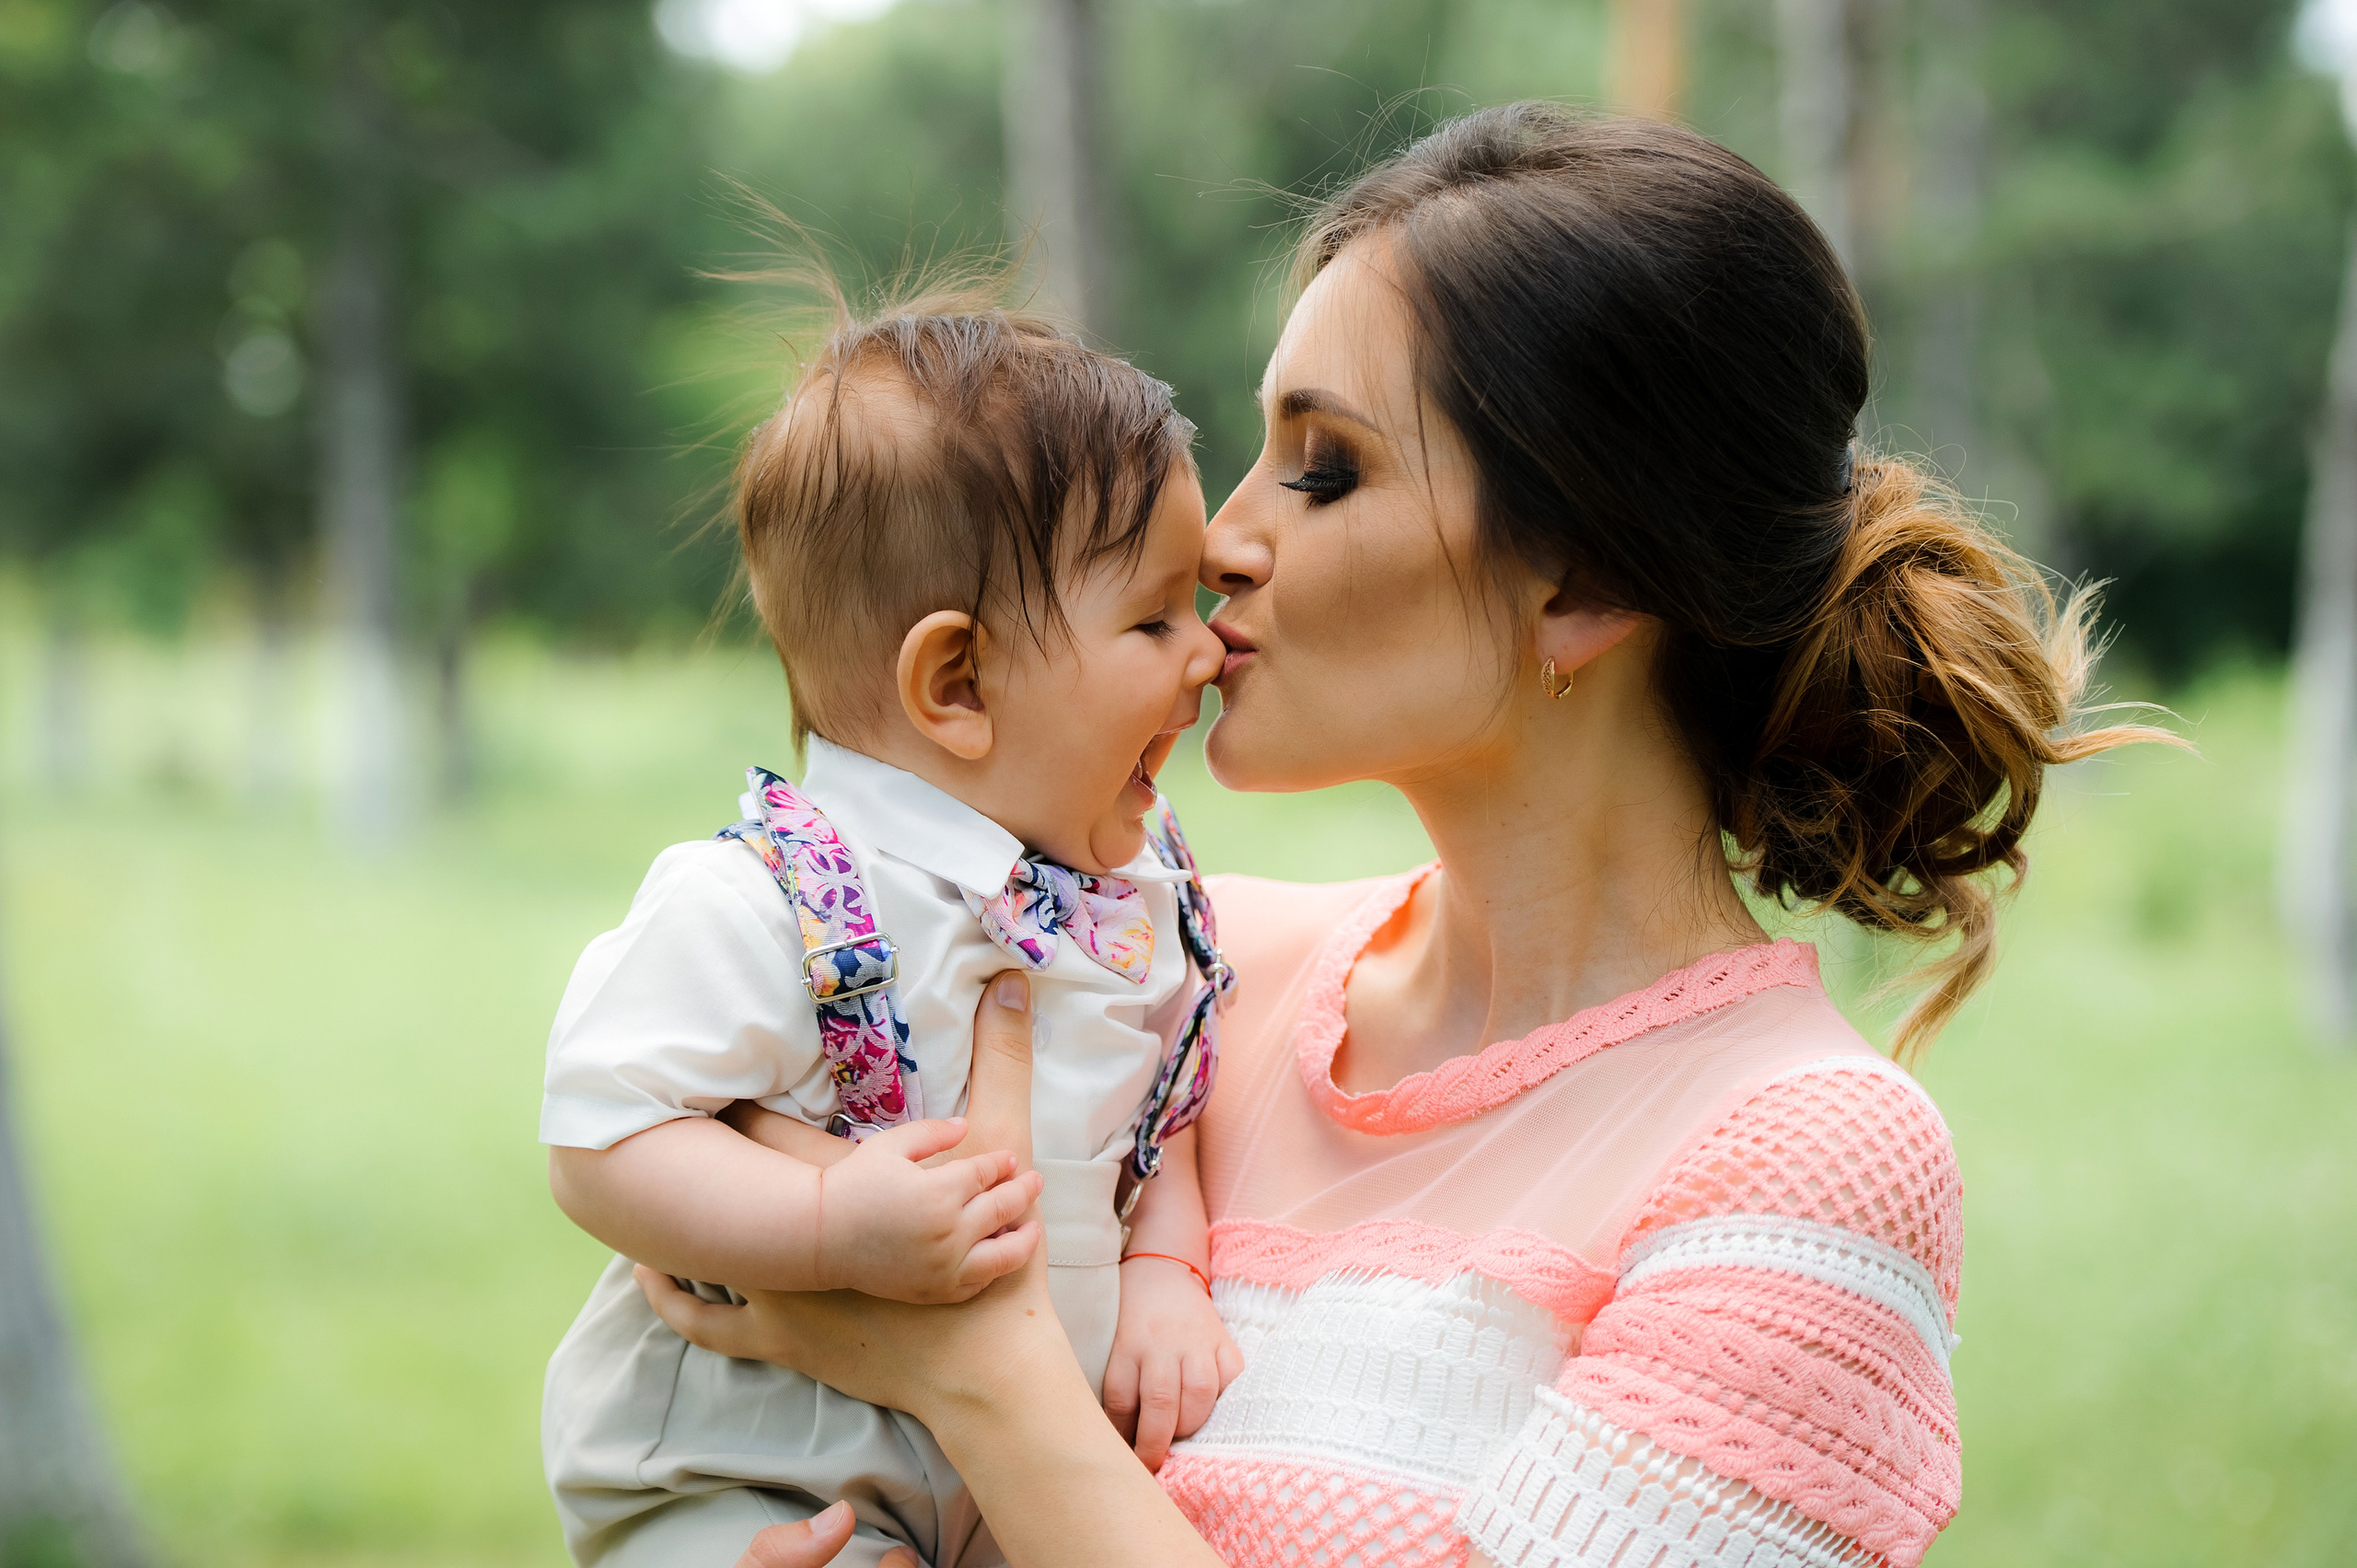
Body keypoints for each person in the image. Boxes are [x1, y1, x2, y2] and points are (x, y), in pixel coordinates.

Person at [643, 105, 2172, 1568]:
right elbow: (685, 1234)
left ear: (1575, 583)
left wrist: (983, 1377)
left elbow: (929, 1349)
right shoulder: (1171, 968)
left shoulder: (1806, 1165)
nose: (1223, 539)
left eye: (1325, 468)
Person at [535, 281, 1241, 1567]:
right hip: (750, 1479)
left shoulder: (1135, 894)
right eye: (1154, 618)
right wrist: (823, 1228)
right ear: (957, 683)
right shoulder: (773, 899)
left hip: (995, 1482)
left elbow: (1167, 1113)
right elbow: (602, 1131)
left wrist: (1168, 1273)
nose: (1208, 654)